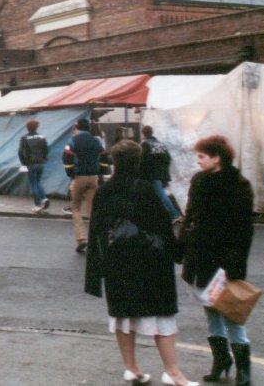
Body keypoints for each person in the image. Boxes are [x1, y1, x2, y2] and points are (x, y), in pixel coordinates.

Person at [85, 140, 198, 386]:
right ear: (138, 160)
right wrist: (178, 251)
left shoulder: (104, 191)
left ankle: (131, 368)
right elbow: (163, 227)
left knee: (124, 316)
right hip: (150, 262)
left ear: (115, 161)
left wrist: (96, 272)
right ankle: (172, 372)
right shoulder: (145, 189)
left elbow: (96, 232)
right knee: (161, 317)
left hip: (117, 263)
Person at [179, 135, 255, 386]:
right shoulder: (199, 180)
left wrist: (235, 264)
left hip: (225, 258)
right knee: (210, 309)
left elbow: (244, 229)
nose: (198, 161)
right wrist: (182, 244)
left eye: (201, 156)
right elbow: (189, 215)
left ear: (216, 158)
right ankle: (221, 360)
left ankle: (244, 368)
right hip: (200, 255)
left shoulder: (238, 184)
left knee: (231, 310)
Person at [66, 118, 104, 253]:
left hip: (80, 176)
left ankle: (81, 239)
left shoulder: (73, 140)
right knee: (92, 209)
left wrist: (70, 172)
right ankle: (95, 239)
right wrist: (101, 171)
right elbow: (104, 155)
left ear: (77, 127)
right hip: (93, 177)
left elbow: (66, 156)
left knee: (75, 207)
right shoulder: (96, 140)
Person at [140, 126, 181, 221]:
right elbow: (167, 158)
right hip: (161, 173)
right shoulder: (159, 144)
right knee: (162, 194)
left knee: (161, 195)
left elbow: (143, 160)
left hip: (152, 174)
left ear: (143, 133)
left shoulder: (145, 144)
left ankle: (174, 214)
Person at [18, 119, 49, 214]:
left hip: (30, 163)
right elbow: (46, 149)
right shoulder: (42, 137)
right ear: (37, 127)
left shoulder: (24, 138)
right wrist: (44, 158)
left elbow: (20, 152)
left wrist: (23, 163)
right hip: (41, 163)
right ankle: (44, 199)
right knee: (38, 182)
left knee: (33, 183)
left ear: (27, 128)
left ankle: (38, 205)